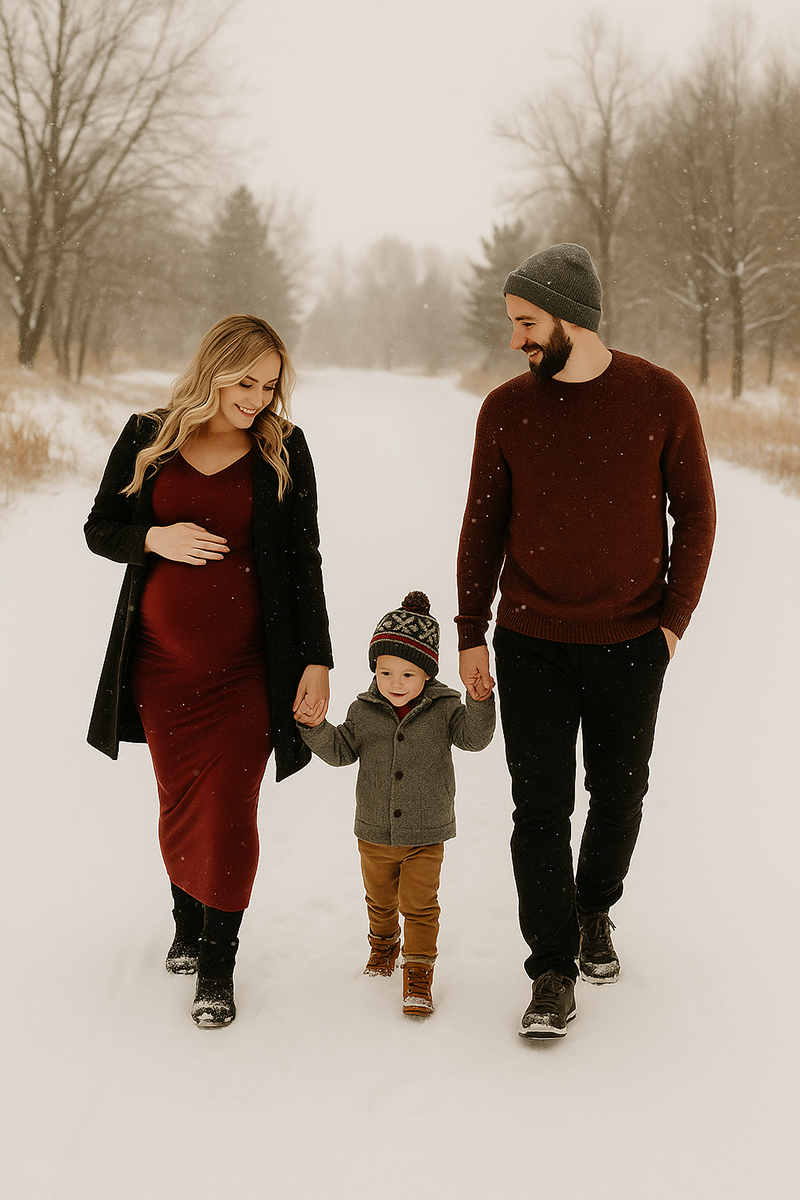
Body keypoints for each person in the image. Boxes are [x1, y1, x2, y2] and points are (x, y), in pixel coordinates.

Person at [456, 244, 716, 1039]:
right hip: (529, 639)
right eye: (512, 325)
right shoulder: (505, 409)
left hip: (633, 639)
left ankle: (594, 907)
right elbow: (482, 528)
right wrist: (471, 632)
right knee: (539, 806)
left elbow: (697, 516)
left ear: (571, 318)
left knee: (620, 791)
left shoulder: (661, 398)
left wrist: (671, 625)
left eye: (526, 323)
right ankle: (550, 971)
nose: (516, 341)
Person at [85, 313, 333, 1030]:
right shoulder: (148, 435)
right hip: (161, 669)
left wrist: (317, 656)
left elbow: (304, 560)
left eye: (270, 385)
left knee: (229, 811)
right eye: (245, 381)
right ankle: (186, 922)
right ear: (213, 370)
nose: (257, 398)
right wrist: (154, 537)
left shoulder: (284, 449)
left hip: (250, 668)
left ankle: (217, 966)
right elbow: (101, 528)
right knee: (179, 800)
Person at [296, 591, 495, 1017]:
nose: (395, 683)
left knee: (420, 905)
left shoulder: (444, 709)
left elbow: (475, 739)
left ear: (427, 674)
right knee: (381, 900)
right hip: (374, 831)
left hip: (427, 831)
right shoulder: (364, 710)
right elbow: (341, 750)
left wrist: (479, 700)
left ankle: (418, 970)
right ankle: (384, 946)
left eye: (407, 674)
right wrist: (315, 727)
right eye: (385, 672)